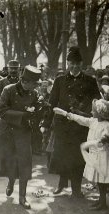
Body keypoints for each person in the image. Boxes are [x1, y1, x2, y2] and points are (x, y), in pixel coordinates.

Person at [40, 46, 101, 199]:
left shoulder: (90, 81)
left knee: (77, 158)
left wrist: (87, 114)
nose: (74, 66)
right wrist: (45, 124)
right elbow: (51, 103)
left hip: (80, 125)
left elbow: (97, 102)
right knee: (61, 156)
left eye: (77, 63)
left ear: (81, 64)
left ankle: (76, 190)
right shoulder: (59, 81)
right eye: (71, 63)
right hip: (62, 125)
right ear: (67, 64)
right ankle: (61, 184)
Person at [0, 65, 41, 209]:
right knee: (9, 161)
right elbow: (1, 111)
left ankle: (22, 197)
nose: (35, 86)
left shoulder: (33, 93)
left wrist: (40, 110)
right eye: (34, 83)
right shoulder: (8, 90)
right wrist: (23, 115)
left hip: (23, 131)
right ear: (25, 81)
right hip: (6, 131)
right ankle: (11, 182)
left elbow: (35, 109)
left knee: (25, 162)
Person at [53, 99, 109, 213]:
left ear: (99, 112)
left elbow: (103, 141)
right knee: (100, 181)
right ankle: (102, 201)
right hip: (97, 156)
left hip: (105, 157)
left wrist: (88, 144)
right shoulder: (94, 121)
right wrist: (65, 113)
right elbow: (81, 119)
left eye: (93, 110)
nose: (91, 111)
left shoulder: (108, 126)